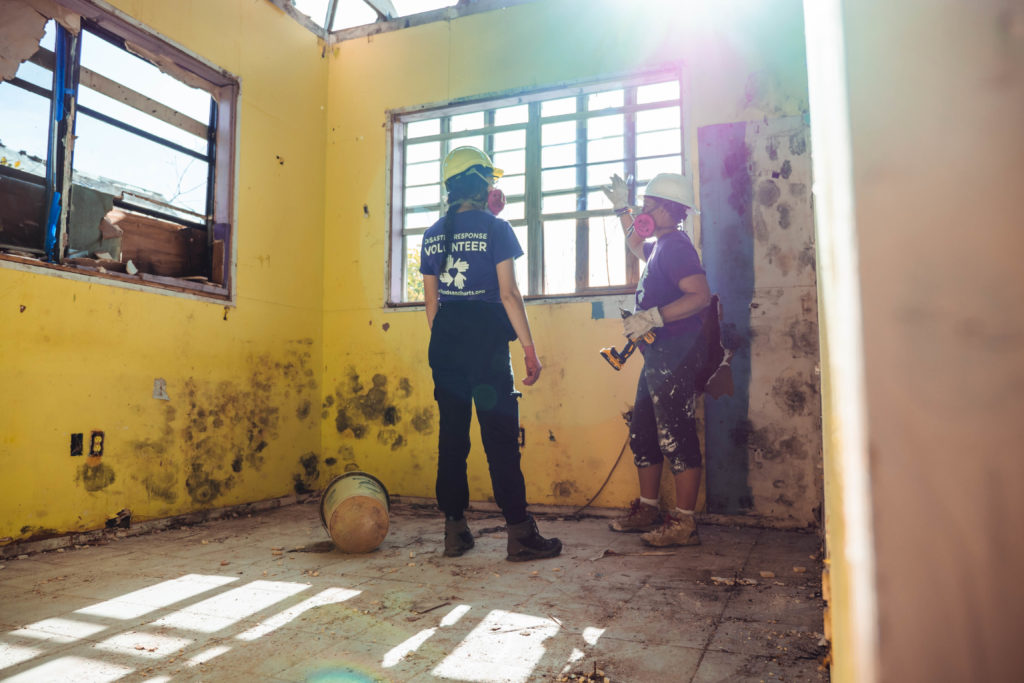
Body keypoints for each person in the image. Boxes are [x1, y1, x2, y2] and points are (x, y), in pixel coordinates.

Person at [420, 146, 562, 562]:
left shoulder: (432, 234)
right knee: (499, 437)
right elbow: (508, 294)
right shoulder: (496, 229)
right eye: (490, 180)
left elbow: (431, 305)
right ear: (482, 183)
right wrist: (529, 350)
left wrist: (449, 343)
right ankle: (519, 534)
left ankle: (454, 530)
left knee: (452, 438)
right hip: (486, 339)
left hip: (445, 339)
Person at [602, 172, 712, 547]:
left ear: (669, 210)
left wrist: (654, 316)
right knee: (645, 431)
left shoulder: (678, 246)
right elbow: (635, 243)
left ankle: (684, 522)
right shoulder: (662, 246)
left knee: (676, 433)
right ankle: (649, 508)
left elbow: (699, 296)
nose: (643, 212)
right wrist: (622, 208)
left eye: (648, 206)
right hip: (659, 354)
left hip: (677, 353)